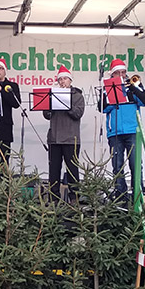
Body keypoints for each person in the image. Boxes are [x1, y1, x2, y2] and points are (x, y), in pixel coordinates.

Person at [100, 58, 145, 200]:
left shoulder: (134, 84)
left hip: (133, 131)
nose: (122, 75)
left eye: (123, 72)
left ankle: (137, 195)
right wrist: (114, 99)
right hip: (115, 132)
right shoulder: (107, 88)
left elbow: (144, 101)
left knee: (135, 164)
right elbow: (102, 108)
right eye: (118, 73)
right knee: (117, 166)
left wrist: (132, 88)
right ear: (112, 74)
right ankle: (120, 195)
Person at [43, 66, 85, 202]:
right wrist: (49, 105)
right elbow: (47, 115)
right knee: (54, 170)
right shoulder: (52, 95)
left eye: (65, 79)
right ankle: (53, 199)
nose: (62, 82)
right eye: (60, 79)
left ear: (70, 80)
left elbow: (78, 114)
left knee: (72, 170)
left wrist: (65, 103)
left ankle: (74, 198)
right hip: (54, 138)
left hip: (71, 139)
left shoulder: (78, 96)